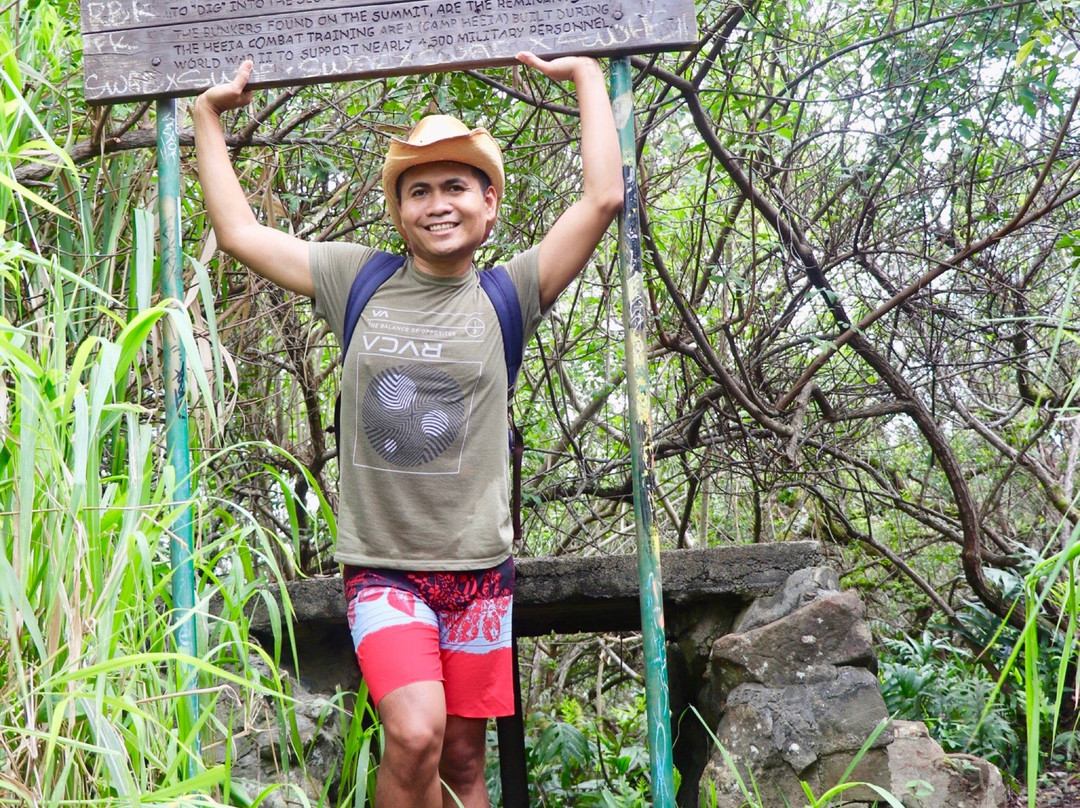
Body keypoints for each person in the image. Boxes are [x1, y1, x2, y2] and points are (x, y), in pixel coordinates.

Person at [193, 53, 622, 808]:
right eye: (416, 191)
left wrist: (587, 77)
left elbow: (602, 197)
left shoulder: (510, 293)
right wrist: (207, 116)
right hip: (384, 568)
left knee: (460, 764)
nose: (437, 203)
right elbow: (238, 233)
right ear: (397, 214)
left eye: (455, 186)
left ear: (489, 205)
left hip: (479, 572)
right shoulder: (356, 279)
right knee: (415, 733)